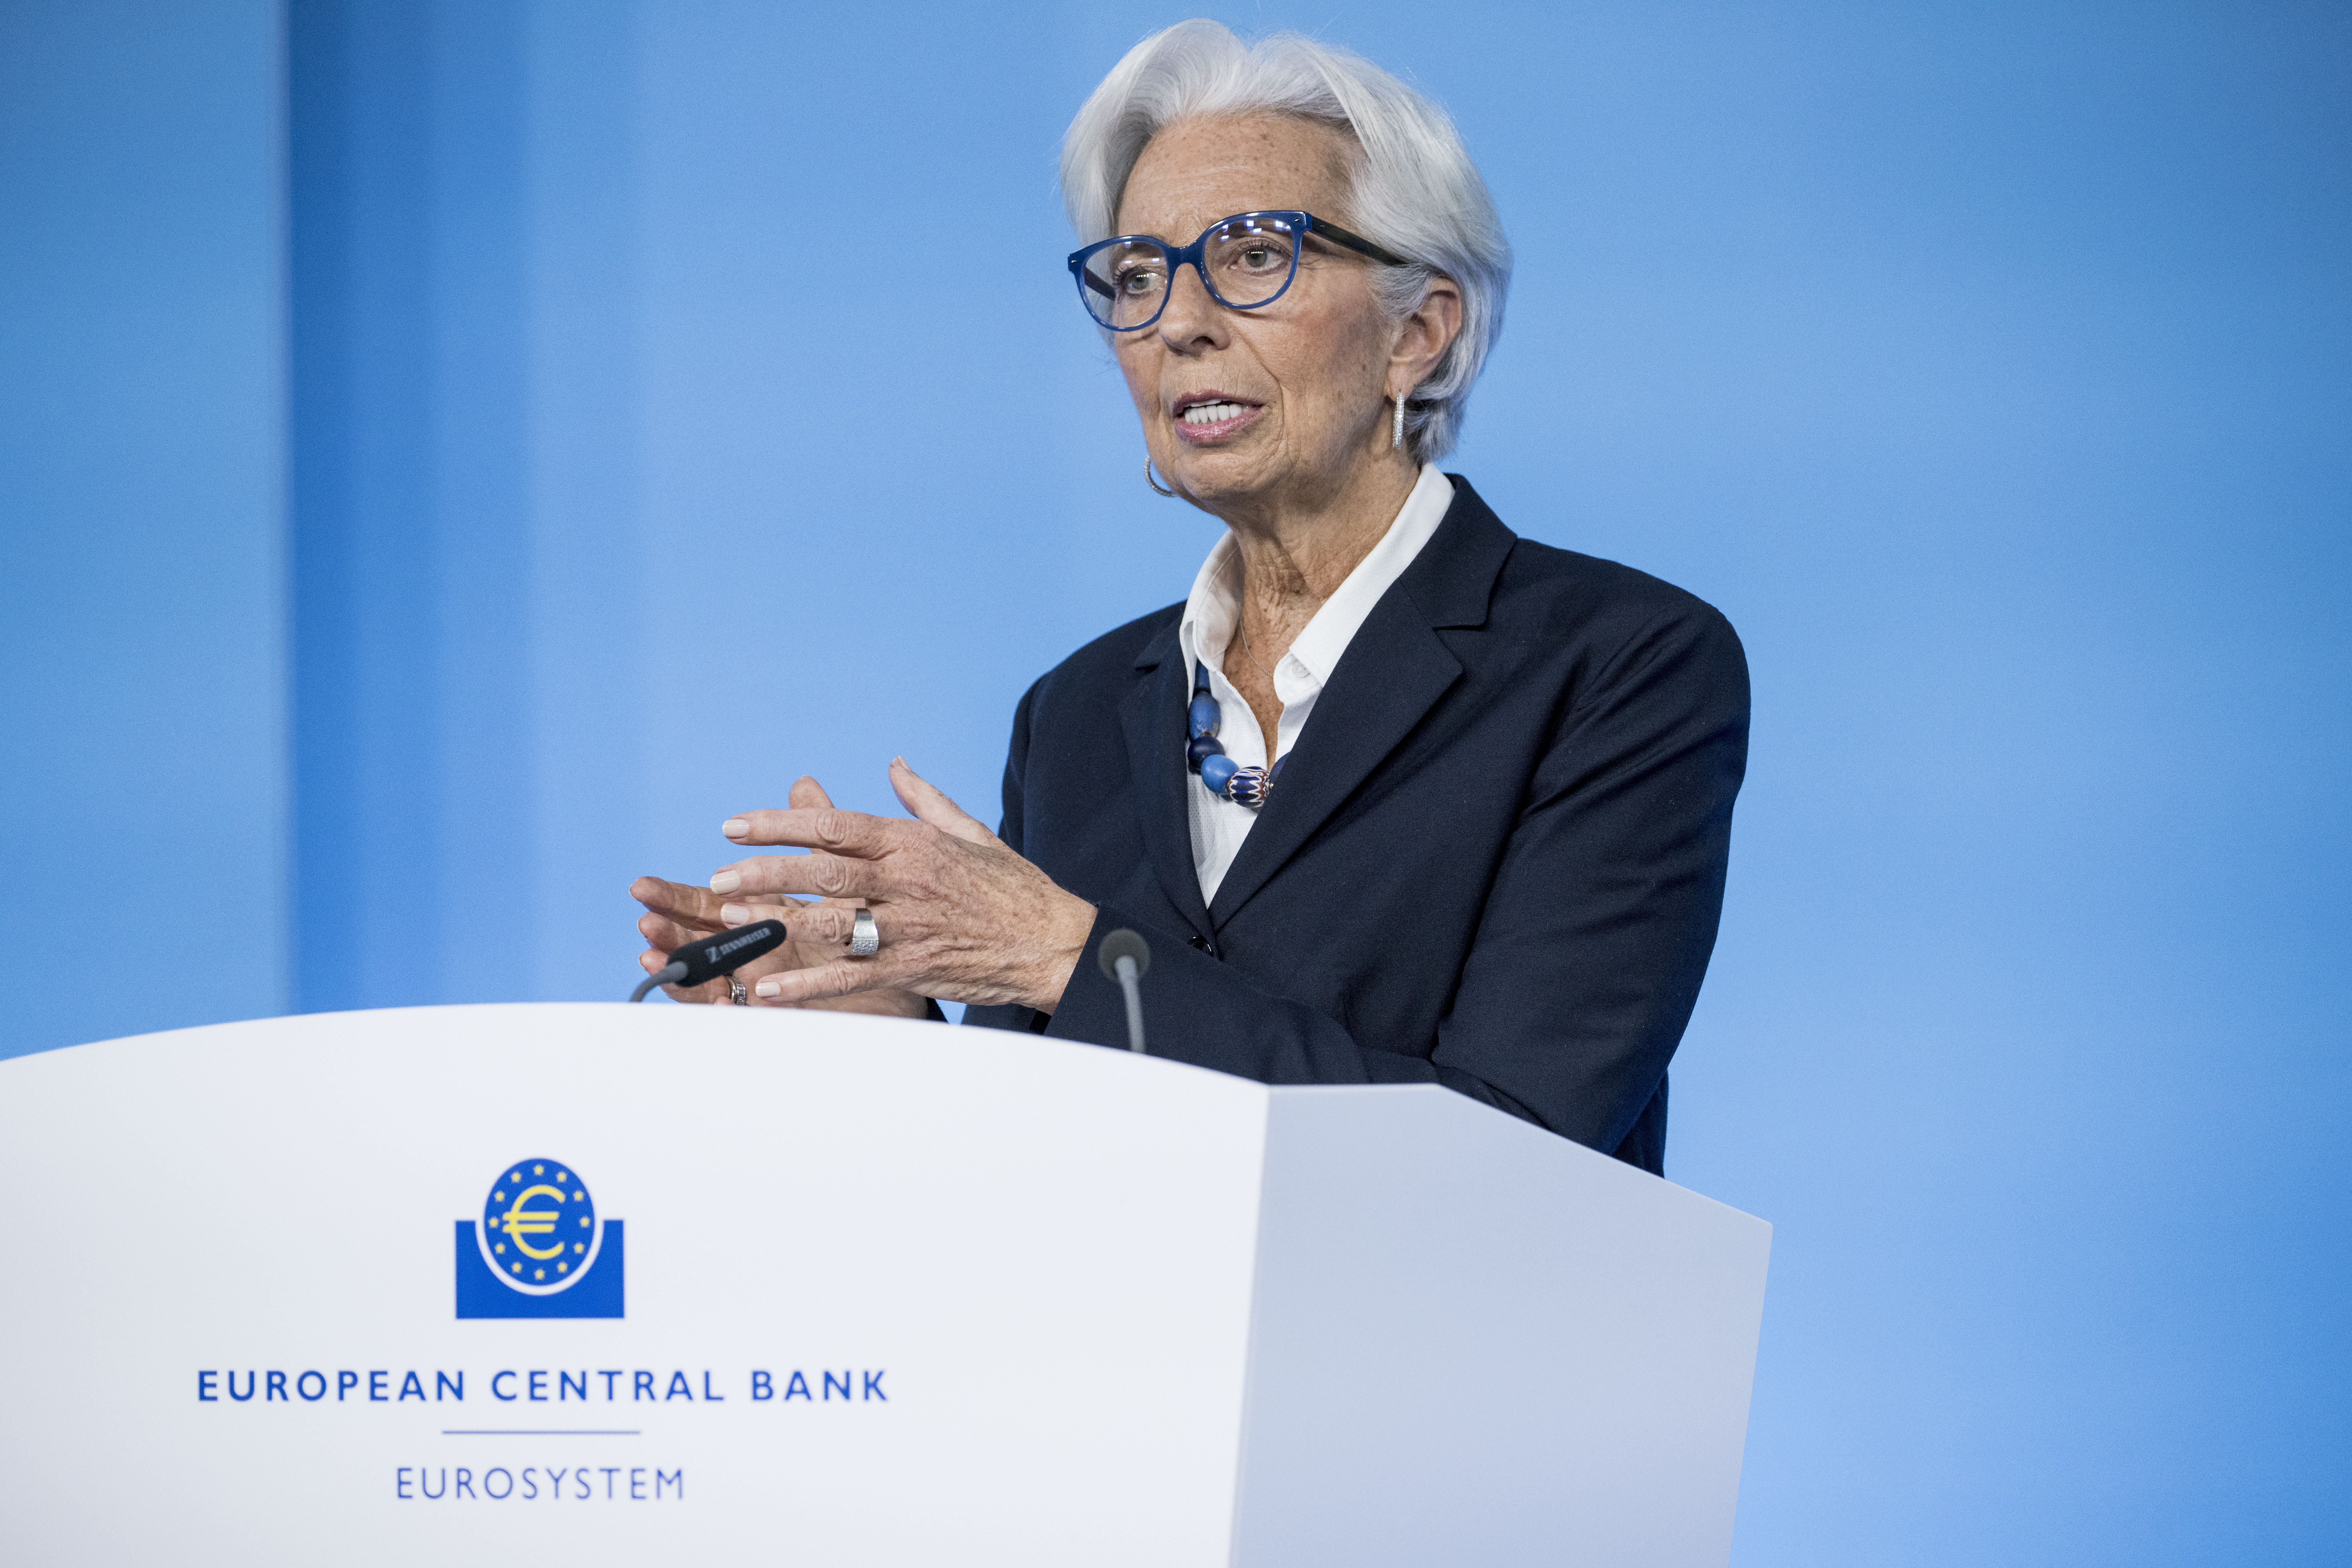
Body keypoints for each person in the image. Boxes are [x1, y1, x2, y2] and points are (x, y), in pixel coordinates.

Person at [629, 21, 1747, 1175]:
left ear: (1417, 332)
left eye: (1255, 255)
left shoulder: (1620, 665)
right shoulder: (1076, 711)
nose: (1177, 322)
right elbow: (1042, 1148)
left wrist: (1067, 955)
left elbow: (1518, 1147)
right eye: (1137, 276)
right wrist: (888, 1027)